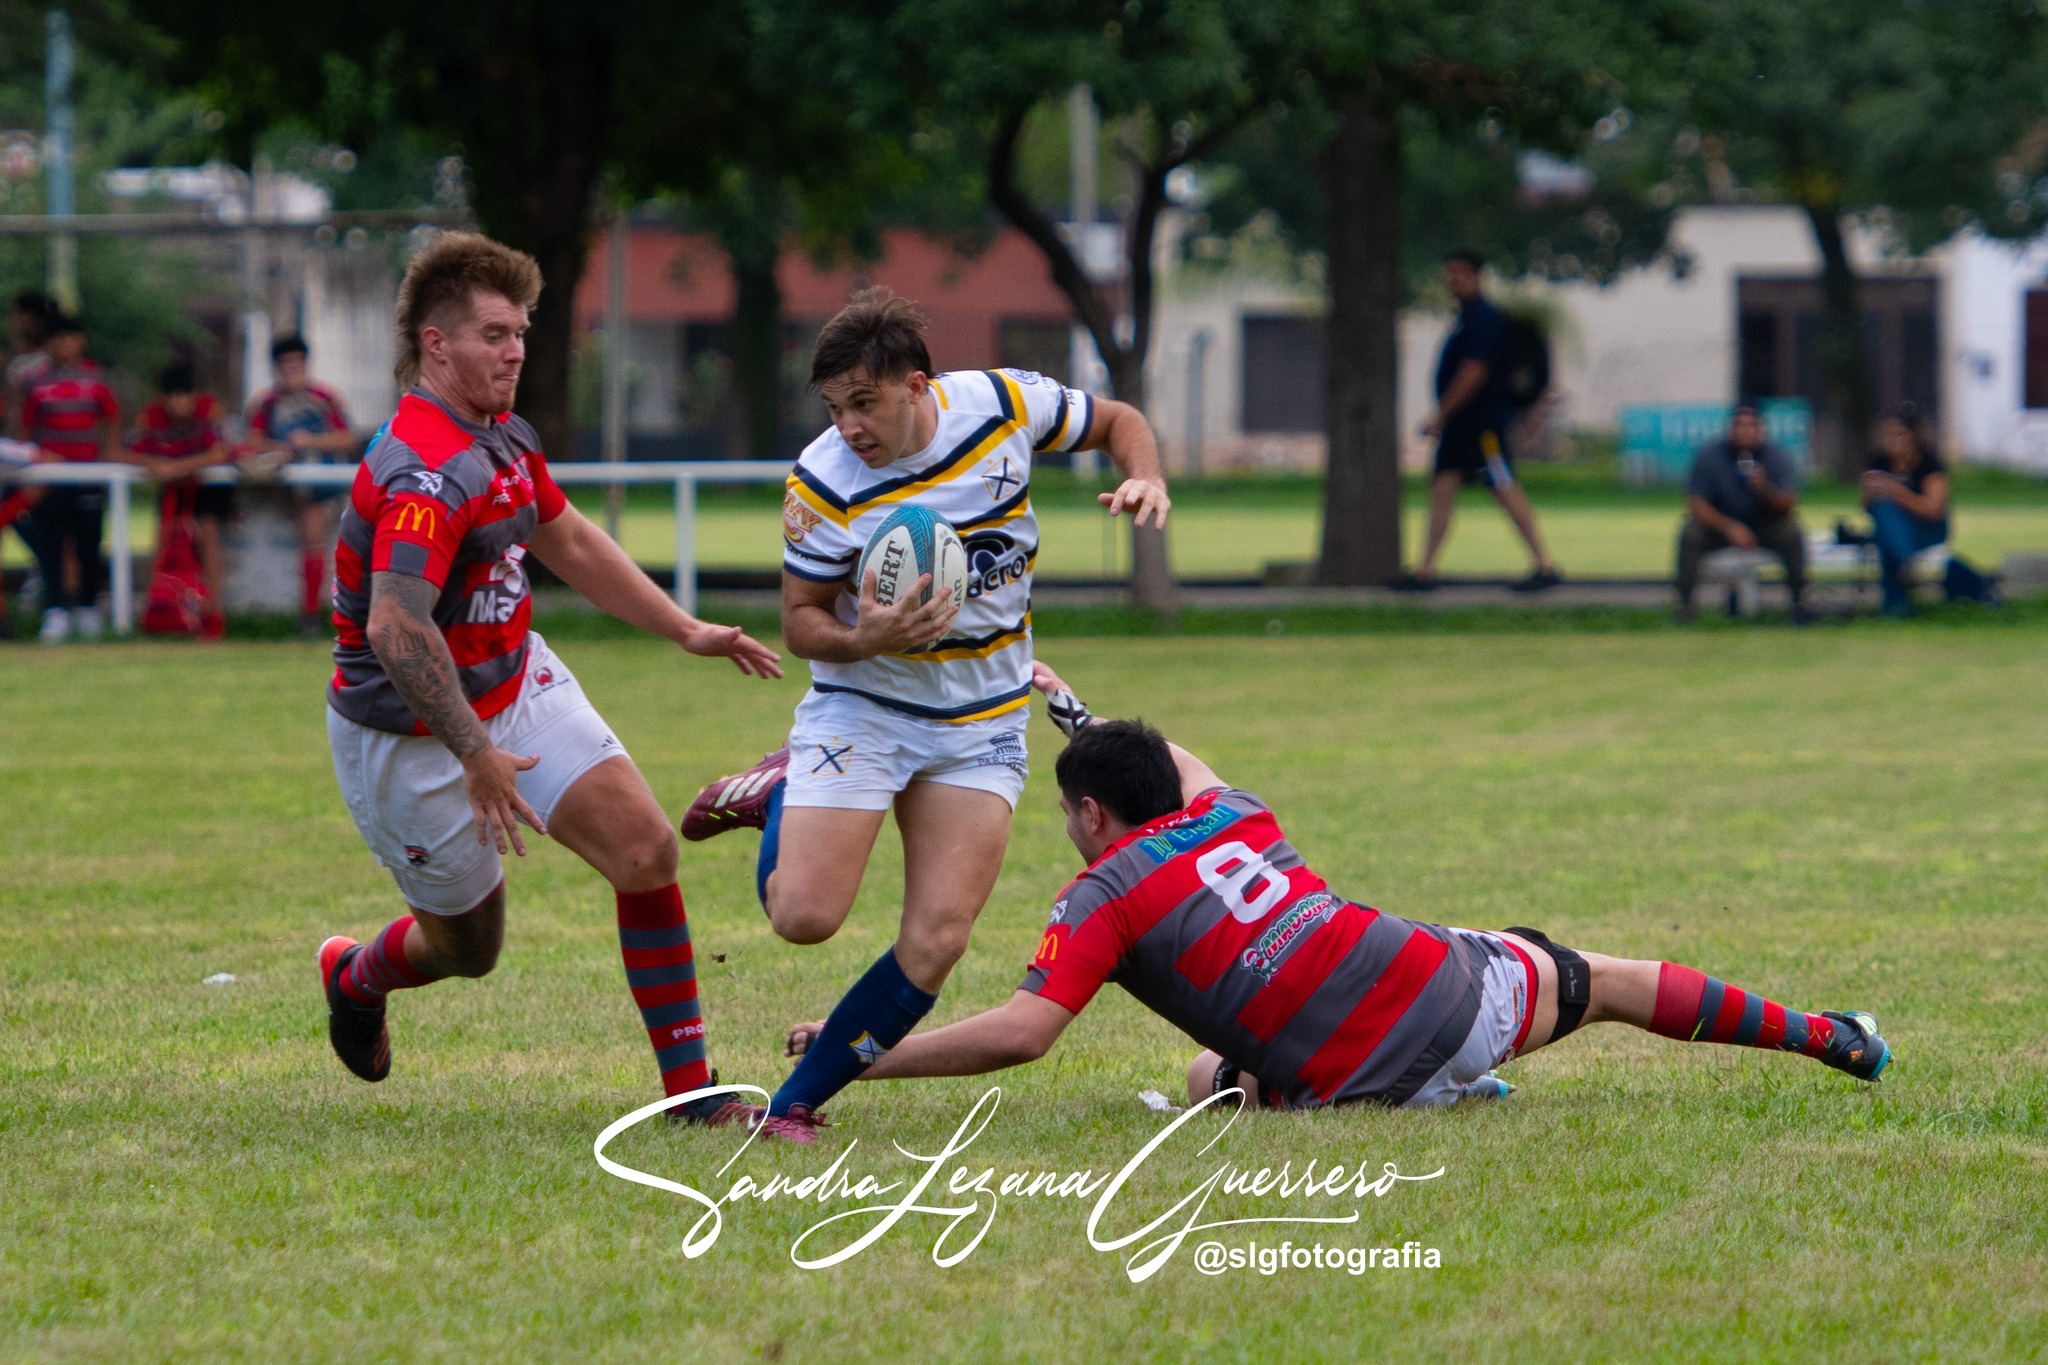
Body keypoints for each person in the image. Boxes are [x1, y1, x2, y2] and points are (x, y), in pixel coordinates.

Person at [783, 662, 1892, 1126]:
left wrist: (863, 1049)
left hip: (1344, 1089)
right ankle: (1826, 1035)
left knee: (1206, 1073)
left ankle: (1440, 1097)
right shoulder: (1231, 816)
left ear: (1086, 819)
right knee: (1600, 978)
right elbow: (1186, 765)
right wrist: (1077, 712)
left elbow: (1026, 1033)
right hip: (1452, 997)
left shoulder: (1099, 900)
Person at [679, 287, 1171, 1142]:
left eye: (863, 404)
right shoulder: (823, 481)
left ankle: (795, 1100)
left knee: (939, 939)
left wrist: (1145, 473)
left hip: (980, 720)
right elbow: (800, 621)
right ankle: (780, 788)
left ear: (917, 386)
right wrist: (864, 636)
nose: (849, 428)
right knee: (803, 917)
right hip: (864, 707)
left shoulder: (1001, 405)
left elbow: (1118, 418)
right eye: (834, 409)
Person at [315, 232, 783, 1128]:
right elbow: (395, 624)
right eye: (494, 333)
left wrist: (683, 628)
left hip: (513, 678)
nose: (516, 350)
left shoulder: (500, 433)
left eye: (521, 332)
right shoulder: (425, 469)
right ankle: (356, 971)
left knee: (646, 850)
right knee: (468, 948)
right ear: (436, 345)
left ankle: (691, 1094)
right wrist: (477, 752)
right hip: (412, 731)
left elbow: (563, 537)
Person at [1403, 249, 1560, 593]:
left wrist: (1440, 415)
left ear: (1477, 277)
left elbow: (1473, 372)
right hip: (1461, 428)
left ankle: (1545, 565)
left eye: (1460, 273)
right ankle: (1424, 570)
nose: (1453, 281)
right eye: (1450, 274)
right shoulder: (1464, 319)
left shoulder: (1482, 321)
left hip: (1484, 428)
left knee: (1504, 486)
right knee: (1442, 488)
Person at [15, 315, 119, 644]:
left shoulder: (96, 379)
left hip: (87, 474)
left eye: (70, 338)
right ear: (48, 344)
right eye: (57, 339)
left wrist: (105, 459)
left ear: (81, 341)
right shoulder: (36, 383)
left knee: (89, 542)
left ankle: (88, 609)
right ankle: (55, 610)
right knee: (51, 543)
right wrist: (31, 464)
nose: (64, 345)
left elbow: (112, 420)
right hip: (50, 478)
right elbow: (24, 430)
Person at [247, 334, 356, 635]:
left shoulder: (324, 398)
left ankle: (311, 615)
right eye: (285, 363)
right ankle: (310, 615)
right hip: (284, 483)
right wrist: (279, 447)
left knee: (318, 542)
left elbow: (346, 437)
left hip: (321, 484)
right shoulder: (267, 403)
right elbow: (252, 440)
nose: (292, 369)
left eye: (297, 362)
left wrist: (311, 442)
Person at [126, 360, 234, 634]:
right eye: (172, 397)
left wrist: (176, 467)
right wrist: (154, 465)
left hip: (208, 484)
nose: (178, 403)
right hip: (172, 486)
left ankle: (214, 614)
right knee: (162, 539)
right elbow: (119, 451)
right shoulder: (150, 416)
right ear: (163, 398)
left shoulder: (210, 409)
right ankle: (157, 611)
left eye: (184, 396)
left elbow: (221, 452)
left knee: (208, 535)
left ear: (194, 395)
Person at [1676, 402, 1810, 623]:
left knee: (1791, 531)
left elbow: (1788, 504)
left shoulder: (1776, 456)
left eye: (1751, 426)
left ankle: (1800, 602)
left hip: (1763, 522)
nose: (1746, 431)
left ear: (1761, 430)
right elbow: (1696, 503)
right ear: (1730, 429)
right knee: (1690, 532)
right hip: (1721, 523)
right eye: (1740, 425)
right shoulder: (1710, 455)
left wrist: (1765, 488)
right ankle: (1685, 605)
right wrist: (1729, 527)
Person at [1859, 404, 1949, 618]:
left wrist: (1896, 491)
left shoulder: (1929, 464)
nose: (1891, 440)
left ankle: (1895, 607)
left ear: (1912, 436)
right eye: (1886, 435)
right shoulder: (1880, 461)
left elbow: (1933, 510)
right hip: (1896, 533)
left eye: (1897, 434)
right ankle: (1903, 566)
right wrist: (1868, 493)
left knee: (1887, 534)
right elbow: (1867, 508)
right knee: (1884, 514)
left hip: (1927, 529)